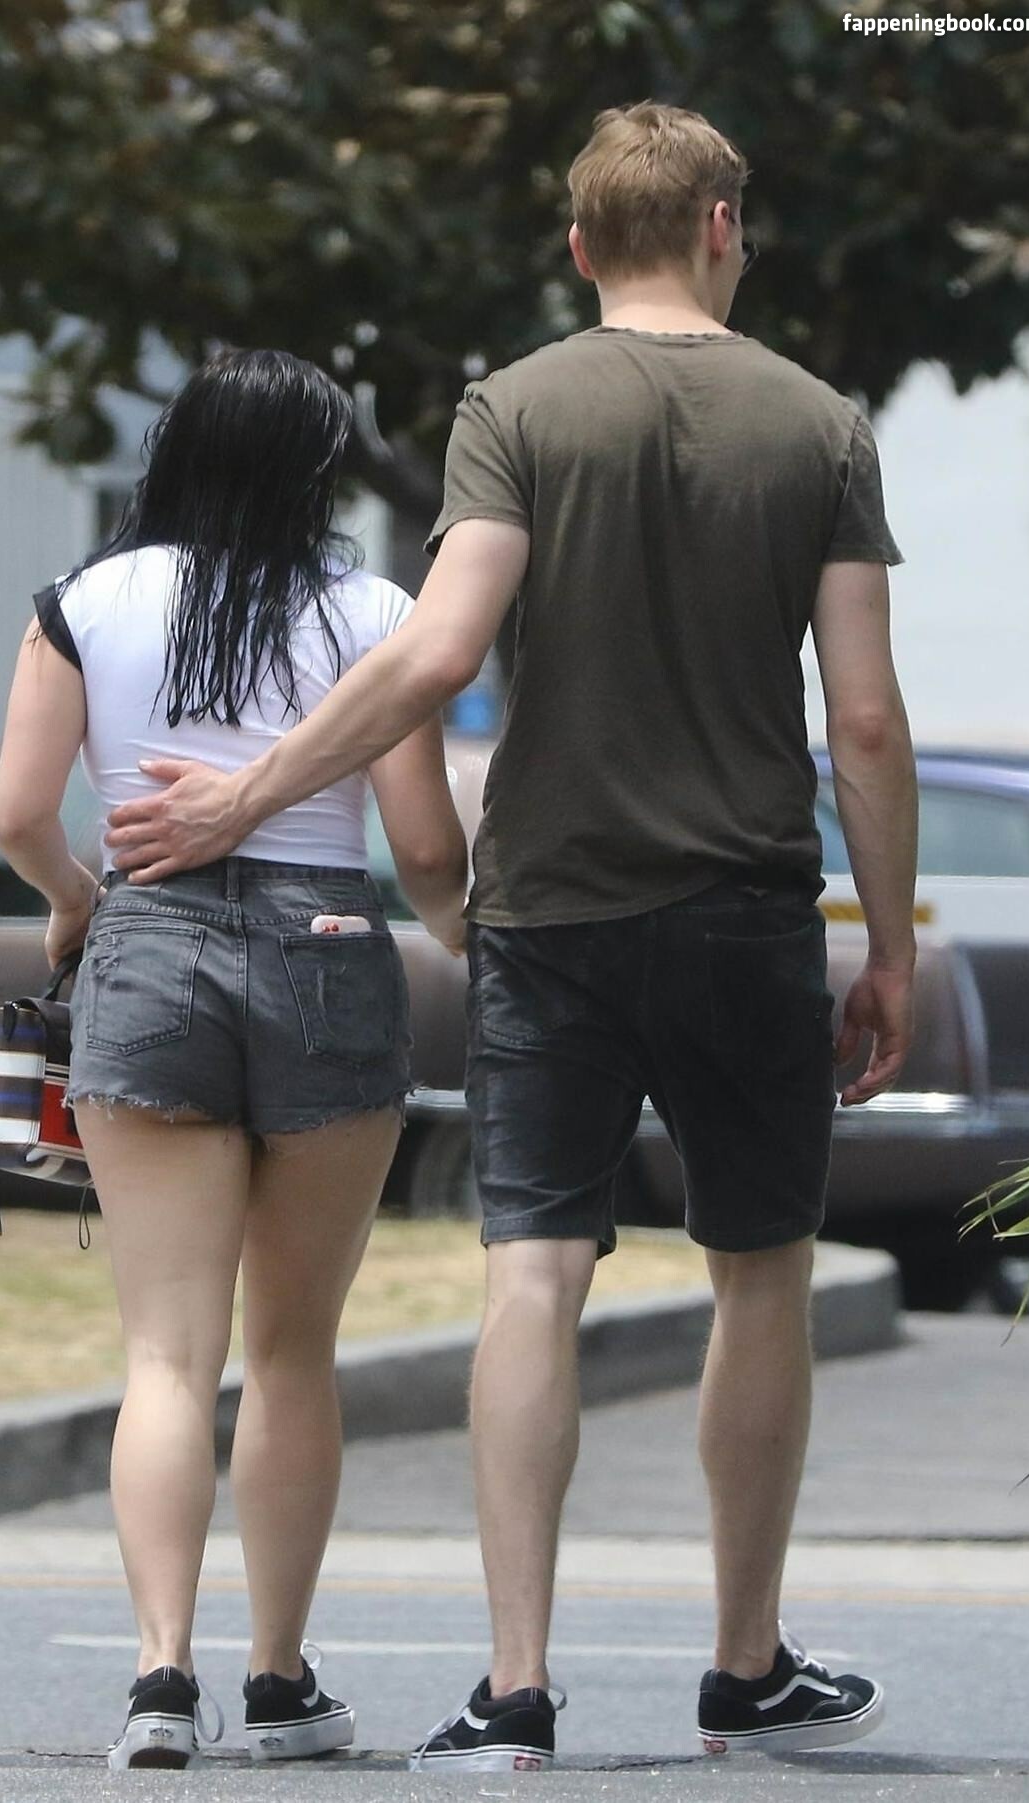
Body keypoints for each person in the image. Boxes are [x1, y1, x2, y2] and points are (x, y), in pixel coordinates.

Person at [101, 104, 918, 1769]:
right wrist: (888, 946)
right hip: (746, 905)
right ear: (718, 224)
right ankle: (744, 1665)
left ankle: (515, 1689)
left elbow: (436, 651)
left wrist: (242, 795)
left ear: (576, 245)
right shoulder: (819, 423)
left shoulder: (515, 407)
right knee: (758, 1272)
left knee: (533, 1275)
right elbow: (866, 719)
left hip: (548, 910)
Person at [0, 348, 467, 1770]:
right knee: (293, 1350)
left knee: (164, 1353)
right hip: (327, 942)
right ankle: (276, 1679)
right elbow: (425, 847)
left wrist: (78, 899)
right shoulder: (375, 614)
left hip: (149, 945)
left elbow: (18, 813)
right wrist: (472, 936)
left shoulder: (81, 603)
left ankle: (157, 1679)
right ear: (318, 472)